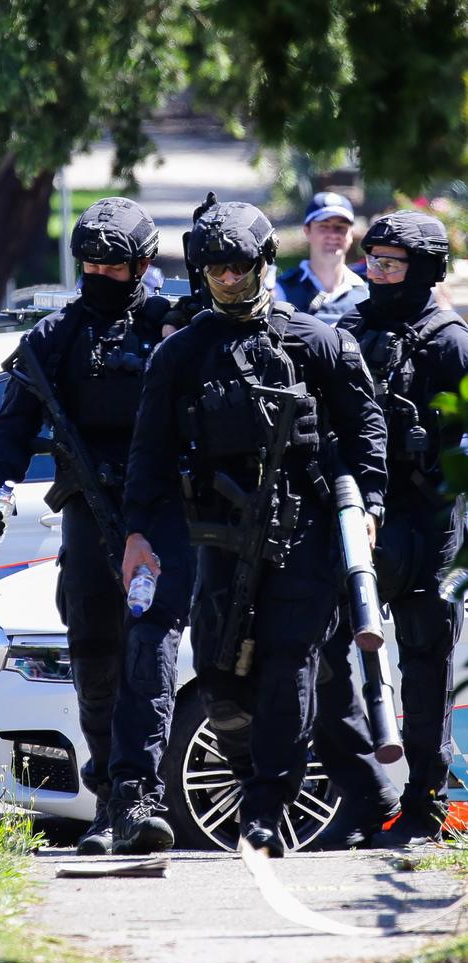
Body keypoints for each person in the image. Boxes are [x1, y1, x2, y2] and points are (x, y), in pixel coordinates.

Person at [122, 200, 387, 858]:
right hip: (218, 537)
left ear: (265, 263)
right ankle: (255, 774)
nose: (229, 280)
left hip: (304, 532)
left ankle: (268, 800)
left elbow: (366, 431)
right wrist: (136, 532)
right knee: (219, 679)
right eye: (215, 270)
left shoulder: (316, 341)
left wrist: (370, 508)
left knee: (287, 664)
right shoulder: (182, 354)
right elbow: (148, 452)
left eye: (240, 267)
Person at [0, 197, 193, 856]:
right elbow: (13, 425)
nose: (98, 273)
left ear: (143, 265)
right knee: (95, 662)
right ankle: (106, 801)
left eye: (112, 265)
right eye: (89, 263)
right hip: (88, 521)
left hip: (158, 519)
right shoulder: (55, 338)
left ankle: (139, 795)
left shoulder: (171, 331)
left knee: (149, 657)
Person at [315, 210, 468, 849]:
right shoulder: (345, 331)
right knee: (322, 646)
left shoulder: (451, 342)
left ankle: (424, 802)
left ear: (423, 270)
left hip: (430, 522)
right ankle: (359, 795)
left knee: (427, 661)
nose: (376, 274)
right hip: (360, 516)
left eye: (390, 264)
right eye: (371, 261)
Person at [274, 191, 368, 326]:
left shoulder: (366, 292)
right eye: (323, 226)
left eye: (340, 227)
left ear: (351, 234)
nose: (333, 235)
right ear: (307, 231)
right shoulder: (281, 291)